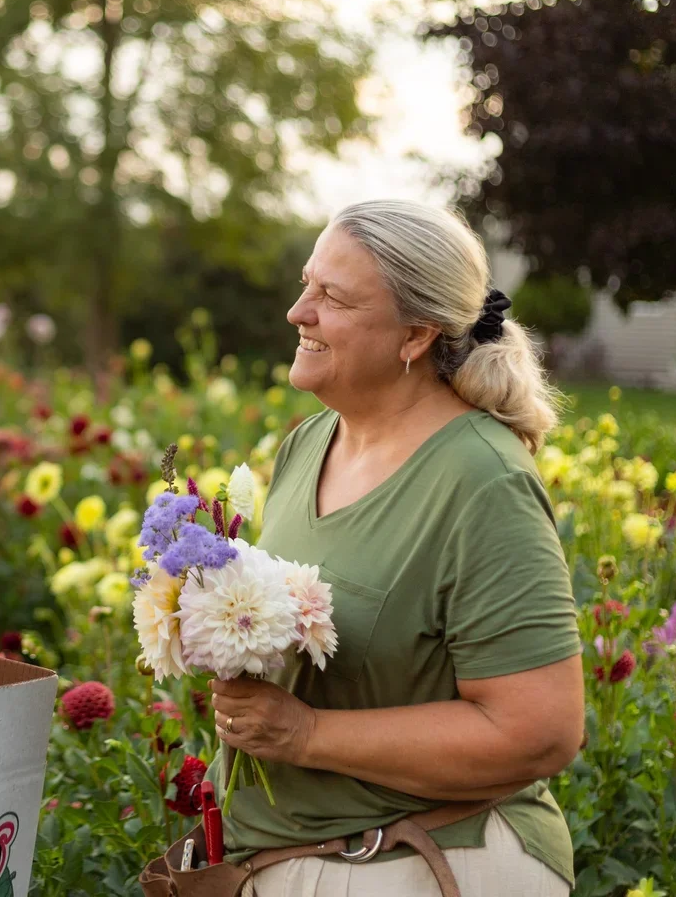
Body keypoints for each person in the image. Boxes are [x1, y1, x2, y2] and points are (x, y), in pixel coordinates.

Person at [209, 199, 583, 895]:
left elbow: (541, 733)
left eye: (332, 297)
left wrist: (307, 734)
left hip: (422, 864)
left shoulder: (480, 479)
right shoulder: (308, 445)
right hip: (294, 858)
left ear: (415, 335)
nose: (298, 312)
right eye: (306, 283)